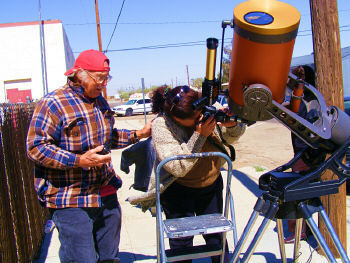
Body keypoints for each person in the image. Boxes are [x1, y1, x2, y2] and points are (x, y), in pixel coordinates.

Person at [26, 49, 151, 263]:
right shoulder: (52, 103)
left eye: (106, 78)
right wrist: (79, 161)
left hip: (105, 191)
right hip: (70, 196)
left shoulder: (100, 102)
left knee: (109, 257)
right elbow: (36, 147)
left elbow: (108, 138)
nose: (104, 84)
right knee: (81, 258)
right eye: (99, 78)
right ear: (80, 74)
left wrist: (137, 135)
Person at [150, 85, 245, 262]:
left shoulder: (206, 108)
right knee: (182, 242)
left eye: (200, 116)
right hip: (178, 189)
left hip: (211, 185)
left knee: (217, 237)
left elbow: (228, 138)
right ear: (176, 119)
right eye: (194, 120)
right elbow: (176, 166)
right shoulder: (161, 124)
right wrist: (199, 135)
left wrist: (232, 126)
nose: (199, 120)